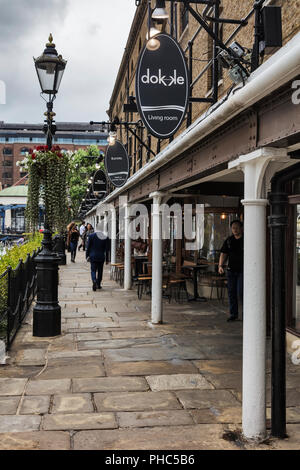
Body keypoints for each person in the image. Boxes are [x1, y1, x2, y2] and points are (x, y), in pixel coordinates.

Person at [218, 219, 244, 322]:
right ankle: (234, 314)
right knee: (231, 292)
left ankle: (246, 314)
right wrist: (220, 266)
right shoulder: (229, 240)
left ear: (241, 228)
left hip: (243, 271)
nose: (235, 230)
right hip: (231, 270)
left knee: (241, 292)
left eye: (237, 228)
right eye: (233, 228)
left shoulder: (246, 239)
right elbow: (223, 254)